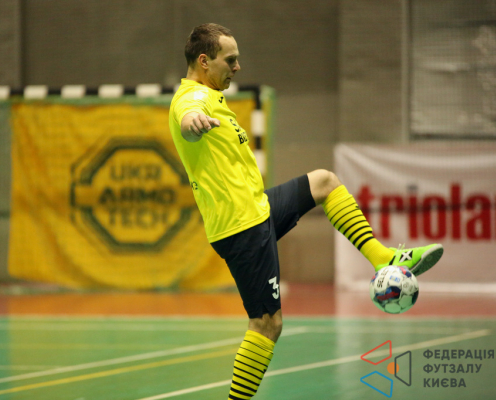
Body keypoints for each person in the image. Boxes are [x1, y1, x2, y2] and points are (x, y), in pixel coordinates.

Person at [169, 23, 443, 399]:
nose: (237, 67)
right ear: (204, 61)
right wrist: (191, 123)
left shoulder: (213, 97)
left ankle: (384, 258)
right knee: (267, 324)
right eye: (230, 60)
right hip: (241, 227)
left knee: (324, 182)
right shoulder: (191, 98)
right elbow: (187, 116)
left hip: (257, 207)